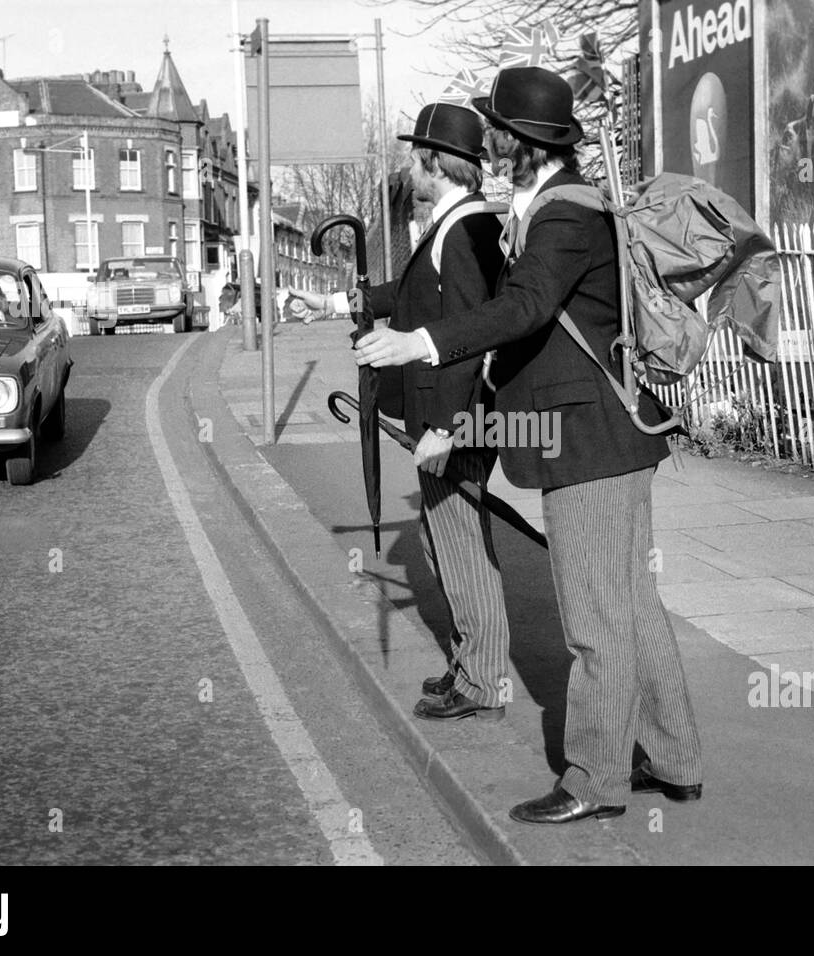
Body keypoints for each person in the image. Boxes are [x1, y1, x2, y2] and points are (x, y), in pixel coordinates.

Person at [353, 67, 703, 824]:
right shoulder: (556, 204)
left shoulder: (565, 215)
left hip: (589, 445)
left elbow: (525, 307)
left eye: (497, 130)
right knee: (633, 604)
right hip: (604, 437)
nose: (491, 143)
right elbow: (533, 326)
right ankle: (673, 758)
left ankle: (595, 780)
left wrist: (422, 342)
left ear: (517, 138)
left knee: (595, 622)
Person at [291, 102, 512, 722]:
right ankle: (472, 663)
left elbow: (469, 336)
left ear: (432, 162)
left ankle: (485, 679)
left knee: (462, 548)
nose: (407, 167)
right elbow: (418, 294)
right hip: (448, 418)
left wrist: (445, 429)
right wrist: (338, 301)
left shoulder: (464, 231)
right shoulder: (454, 224)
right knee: (445, 545)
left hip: (455, 420)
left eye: (413, 156)